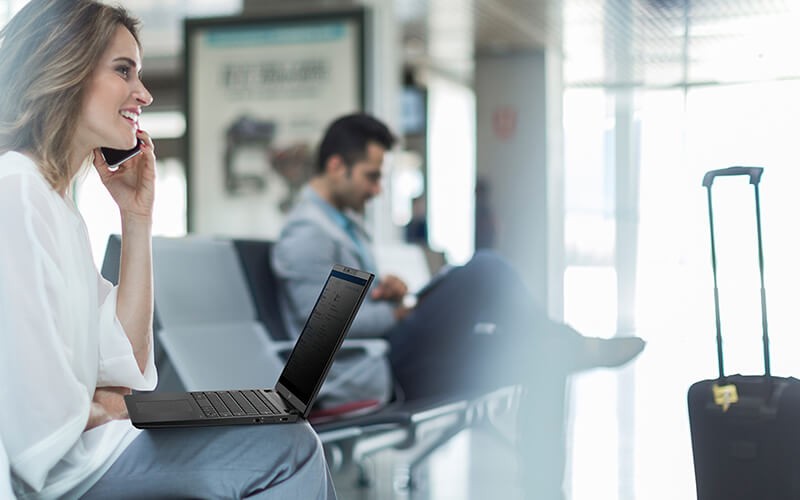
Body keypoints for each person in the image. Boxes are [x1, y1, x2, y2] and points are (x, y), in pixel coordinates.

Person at [0, 2, 335, 498]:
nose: (144, 94)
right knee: (287, 445)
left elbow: (127, 368)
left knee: (286, 438)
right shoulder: (17, 192)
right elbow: (37, 418)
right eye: (123, 71)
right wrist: (106, 406)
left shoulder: (56, 207)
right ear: (63, 68)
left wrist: (137, 218)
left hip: (88, 455)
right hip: (60, 474)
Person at [271, 112, 645, 498]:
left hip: (393, 357)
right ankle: (577, 344)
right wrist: (396, 312)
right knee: (487, 269)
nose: (378, 189)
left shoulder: (343, 223)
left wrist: (389, 293)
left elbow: (341, 300)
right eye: (371, 175)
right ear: (336, 166)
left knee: (540, 353)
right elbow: (315, 331)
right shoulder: (307, 233)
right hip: (376, 371)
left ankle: (544, 489)